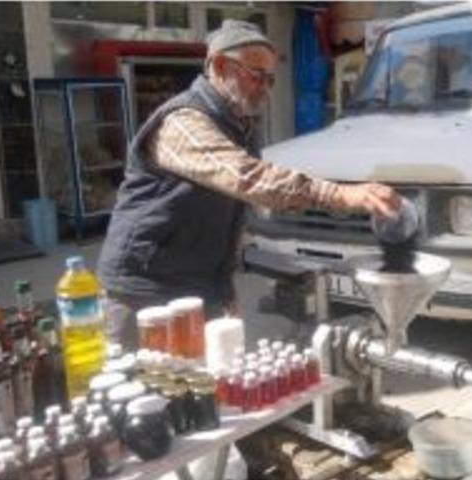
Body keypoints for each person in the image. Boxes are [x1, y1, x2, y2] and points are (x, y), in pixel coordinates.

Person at [97, 20, 401, 348]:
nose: (265, 89)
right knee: (142, 388)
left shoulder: (239, 124)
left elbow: (233, 213)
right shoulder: (182, 122)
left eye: (270, 79)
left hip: (199, 284)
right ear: (219, 66)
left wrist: (222, 289)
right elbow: (248, 178)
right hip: (144, 288)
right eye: (256, 76)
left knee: (203, 389)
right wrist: (340, 193)